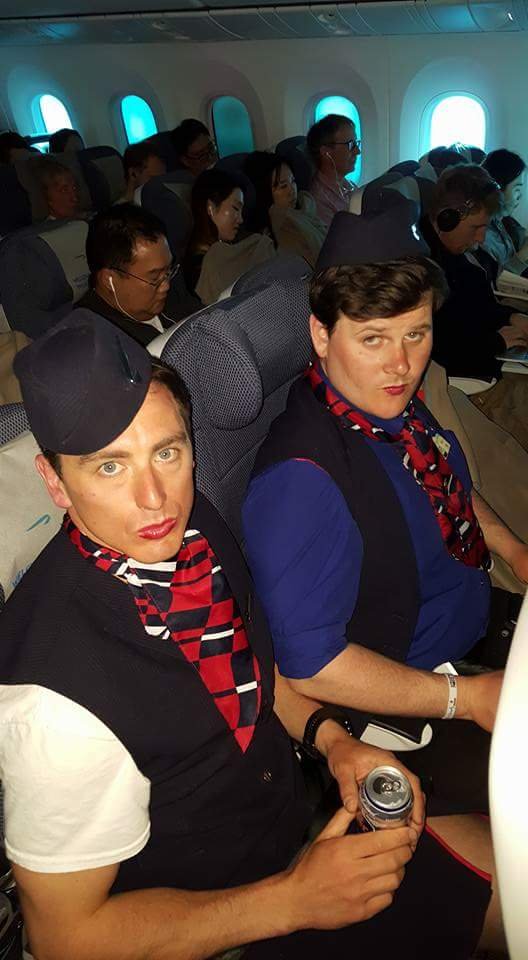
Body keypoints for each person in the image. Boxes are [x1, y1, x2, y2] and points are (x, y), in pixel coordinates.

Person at [0, 310, 505, 959]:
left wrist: (334, 743)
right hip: (209, 926)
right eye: (109, 468)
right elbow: (66, 938)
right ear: (54, 482)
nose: (155, 498)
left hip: (294, 831)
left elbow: (248, 671)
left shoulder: (192, 530)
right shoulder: (51, 706)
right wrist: (293, 900)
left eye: (167, 452)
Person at [243, 202, 528, 822]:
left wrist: (513, 551)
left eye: (415, 334)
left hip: (480, 630)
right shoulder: (301, 482)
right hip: (418, 696)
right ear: (322, 334)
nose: (401, 365)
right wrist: (463, 697)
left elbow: (445, 483)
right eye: (373, 338)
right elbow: (312, 668)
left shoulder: (384, 404)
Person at [421, 163, 528, 450]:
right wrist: (497, 341)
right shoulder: (425, 268)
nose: (480, 238)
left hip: (489, 361)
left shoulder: (456, 255)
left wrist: (512, 317)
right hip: (473, 382)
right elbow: (438, 349)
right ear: (446, 219)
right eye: (476, 228)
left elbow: (477, 307)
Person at [76, 203, 179, 345]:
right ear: (109, 280)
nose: (166, 286)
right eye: (154, 278)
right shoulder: (98, 341)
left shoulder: (174, 292)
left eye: (168, 271)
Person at [183, 168, 275, 304]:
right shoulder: (204, 264)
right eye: (235, 208)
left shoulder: (237, 247)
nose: (240, 219)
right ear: (211, 208)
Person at [244, 151, 326, 267]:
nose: (292, 190)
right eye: (283, 186)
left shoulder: (307, 206)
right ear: (264, 194)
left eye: (293, 181)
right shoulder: (279, 230)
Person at [480, 148, 528, 279]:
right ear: (498, 188)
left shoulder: (501, 222)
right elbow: (496, 283)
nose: (520, 196)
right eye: (517, 189)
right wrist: (523, 255)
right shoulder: (482, 234)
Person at [306, 113, 361, 228]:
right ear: (326, 152)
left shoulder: (347, 185)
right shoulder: (319, 201)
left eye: (356, 143)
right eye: (351, 145)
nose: (357, 151)